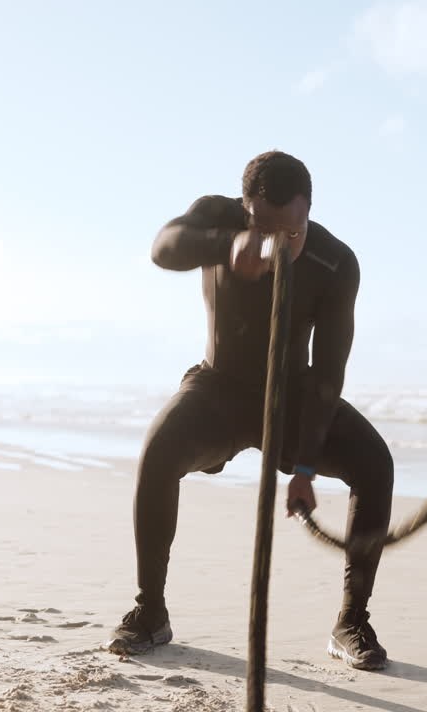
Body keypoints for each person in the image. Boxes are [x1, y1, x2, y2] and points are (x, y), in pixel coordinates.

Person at [109, 150, 394, 671]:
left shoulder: (335, 262)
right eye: (265, 228)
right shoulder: (219, 218)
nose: (279, 243)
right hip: (218, 388)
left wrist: (306, 465)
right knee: (159, 451)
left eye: (293, 230)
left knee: (376, 464)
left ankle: (352, 621)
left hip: (291, 398)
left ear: (309, 211)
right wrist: (228, 244)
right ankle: (151, 611)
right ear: (246, 208)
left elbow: (328, 372)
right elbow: (163, 248)